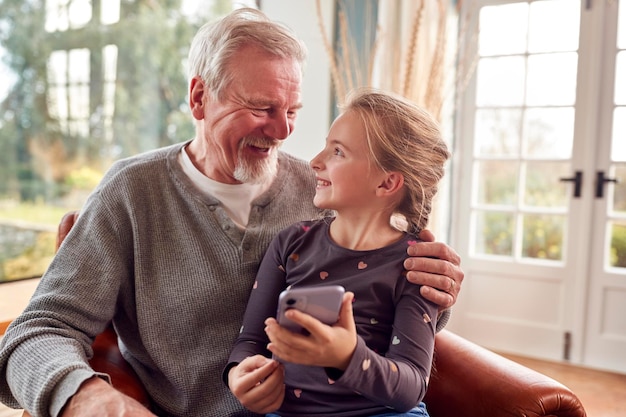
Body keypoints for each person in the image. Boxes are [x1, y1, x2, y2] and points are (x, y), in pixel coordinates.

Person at [0, 8, 463, 417]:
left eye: (293, 110)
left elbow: (387, 317)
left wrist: (434, 291)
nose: (282, 130)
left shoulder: (331, 193)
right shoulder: (132, 193)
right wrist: (88, 398)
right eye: (262, 108)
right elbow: (37, 331)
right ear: (199, 98)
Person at [227, 89, 449, 417]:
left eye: (338, 152)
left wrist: (349, 356)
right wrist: (239, 374)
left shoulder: (416, 266)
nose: (315, 161)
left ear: (387, 184)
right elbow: (250, 340)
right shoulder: (292, 244)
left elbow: (411, 386)